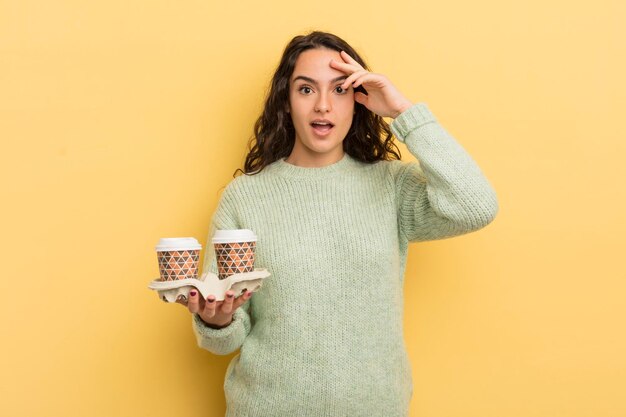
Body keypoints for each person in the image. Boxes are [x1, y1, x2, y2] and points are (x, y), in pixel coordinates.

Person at [179, 31, 498, 416]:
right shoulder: (245, 197)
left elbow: (476, 205)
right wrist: (217, 320)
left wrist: (403, 112)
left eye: (340, 89)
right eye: (306, 89)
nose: (323, 106)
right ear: (286, 101)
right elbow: (223, 339)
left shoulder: (391, 187)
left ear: (359, 100)